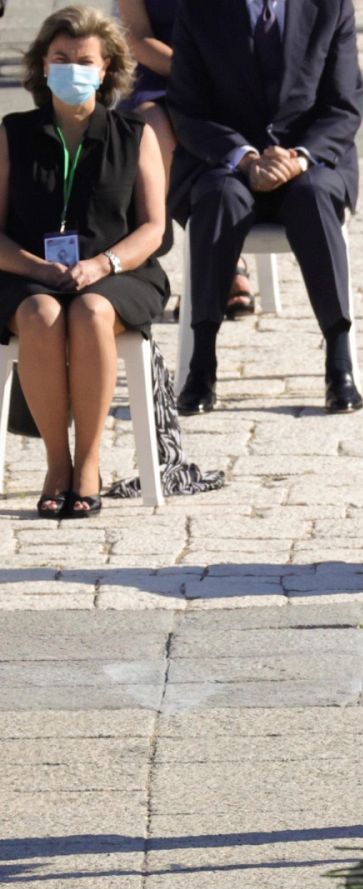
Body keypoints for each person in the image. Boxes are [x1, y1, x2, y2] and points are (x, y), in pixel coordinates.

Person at [0, 6, 168, 518]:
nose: (72, 67)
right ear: (42, 67)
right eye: (60, 57)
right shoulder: (13, 133)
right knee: (42, 315)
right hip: (29, 274)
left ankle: (90, 463)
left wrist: (103, 265)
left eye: (84, 59)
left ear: (105, 69)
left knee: (91, 311)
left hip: (120, 274)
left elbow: (154, 229)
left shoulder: (135, 135)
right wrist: (35, 268)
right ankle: (57, 463)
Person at [165, 0, 363, 415]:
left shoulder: (330, 6)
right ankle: (202, 362)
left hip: (309, 161)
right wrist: (245, 158)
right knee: (219, 200)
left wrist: (298, 158)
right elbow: (187, 110)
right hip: (228, 162)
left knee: (313, 197)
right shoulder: (200, 10)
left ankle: (339, 359)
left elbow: (343, 105)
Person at [116, 0, 257, 317]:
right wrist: (190, 68)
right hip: (162, 76)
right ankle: (151, 247)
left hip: (227, 76)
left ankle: (221, 262)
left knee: (214, 129)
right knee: (151, 129)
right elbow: (137, 37)